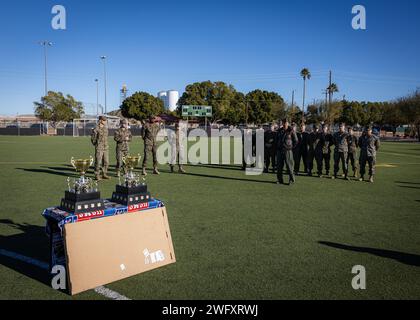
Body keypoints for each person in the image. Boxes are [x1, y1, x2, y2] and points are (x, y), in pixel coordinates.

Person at [276, 119, 298, 185]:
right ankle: (280, 180)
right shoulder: (279, 131)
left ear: (288, 123)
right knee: (279, 166)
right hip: (280, 151)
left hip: (288, 151)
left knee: (289, 166)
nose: (285, 124)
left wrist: (290, 147)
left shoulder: (291, 131)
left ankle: (291, 180)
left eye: (286, 123)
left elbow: (296, 141)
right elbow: (276, 139)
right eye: (284, 122)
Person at [91, 116, 110, 181]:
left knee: (106, 161)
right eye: (104, 120)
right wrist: (97, 144)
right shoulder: (96, 129)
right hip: (99, 147)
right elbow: (93, 139)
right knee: (98, 162)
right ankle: (97, 175)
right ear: (101, 120)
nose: (105, 121)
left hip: (106, 147)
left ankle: (104, 174)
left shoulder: (105, 128)